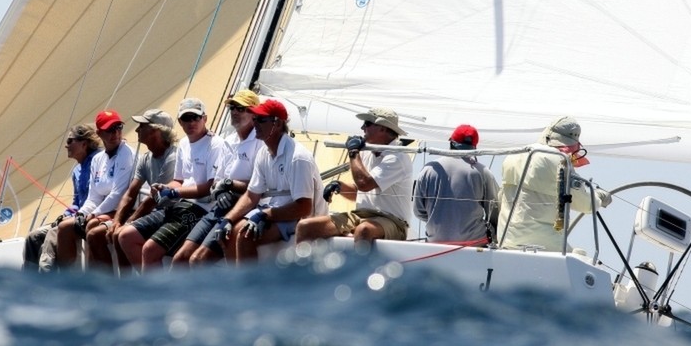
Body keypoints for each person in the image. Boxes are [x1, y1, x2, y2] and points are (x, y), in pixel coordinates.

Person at [118, 98, 231, 272]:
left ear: (205, 119)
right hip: (179, 205)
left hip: (201, 208)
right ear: (180, 121)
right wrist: (163, 187)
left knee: (150, 249)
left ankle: (159, 289)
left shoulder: (216, 144)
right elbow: (178, 180)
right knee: (126, 236)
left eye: (196, 117)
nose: (191, 122)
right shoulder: (184, 144)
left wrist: (174, 193)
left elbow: (209, 188)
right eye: (186, 118)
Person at [214, 99, 328, 264]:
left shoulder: (298, 158)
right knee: (227, 235)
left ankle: (250, 281)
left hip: (301, 217)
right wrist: (228, 219)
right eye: (254, 119)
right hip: (274, 211)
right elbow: (251, 195)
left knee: (245, 236)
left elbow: (304, 207)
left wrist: (265, 215)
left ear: (278, 124)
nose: (255, 123)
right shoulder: (263, 153)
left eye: (261, 119)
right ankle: (237, 280)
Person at [294, 107, 412, 248]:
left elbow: (364, 184)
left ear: (382, 128)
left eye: (367, 124)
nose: (362, 128)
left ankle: (355, 264)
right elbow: (359, 191)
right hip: (362, 216)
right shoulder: (367, 152)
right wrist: (339, 186)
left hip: (393, 222)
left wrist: (353, 152)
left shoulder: (397, 157)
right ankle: (303, 263)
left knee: (363, 230)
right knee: (305, 227)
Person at [172, 89, 261, 266]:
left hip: (245, 208)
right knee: (180, 259)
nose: (234, 112)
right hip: (221, 206)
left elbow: (259, 186)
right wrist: (220, 191)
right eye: (232, 108)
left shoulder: (261, 142)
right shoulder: (229, 141)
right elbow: (218, 180)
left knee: (197, 261)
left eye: (241, 108)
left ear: (254, 113)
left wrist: (229, 185)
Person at [39, 109, 135, 271]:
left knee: (92, 228)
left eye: (118, 128)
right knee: (65, 227)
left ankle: (103, 279)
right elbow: (93, 196)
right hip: (106, 209)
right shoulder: (98, 159)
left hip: (124, 209)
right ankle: (71, 278)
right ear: (99, 133)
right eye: (110, 130)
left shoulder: (126, 154)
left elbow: (118, 193)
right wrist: (82, 213)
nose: (115, 133)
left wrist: (94, 213)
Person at [497, 116, 611, 251]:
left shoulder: (514, 155)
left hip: (506, 239)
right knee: (581, 255)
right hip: (546, 243)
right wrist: (599, 197)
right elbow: (586, 204)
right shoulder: (560, 160)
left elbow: (501, 196)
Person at [84, 109, 177, 270]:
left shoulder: (172, 158)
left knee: (121, 234)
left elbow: (153, 199)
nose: (136, 130)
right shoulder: (146, 158)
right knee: (114, 232)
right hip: (155, 211)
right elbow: (130, 194)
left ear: (155, 131)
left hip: (171, 211)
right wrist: (117, 221)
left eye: (142, 126)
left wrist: (127, 222)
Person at [22, 124, 102, 270]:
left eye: (70, 141)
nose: (66, 145)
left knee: (54, 234)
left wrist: (77, 215)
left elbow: (100, 196)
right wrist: (65, 215)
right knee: (33, 237)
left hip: (93, 215)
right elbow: (76, 202)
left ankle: (47, 275)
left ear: (84, 144)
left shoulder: (98, 162)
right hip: (77, 216)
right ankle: (29, 278)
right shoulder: (77, 171)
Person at [412, 124, 499, 245]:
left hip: (435, 241)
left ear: (451, 142)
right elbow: (494, 210)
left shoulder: (429, 169)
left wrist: (440, 221)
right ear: (474, 147)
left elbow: (418, 211)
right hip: (474, 242)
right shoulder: (482, 172)